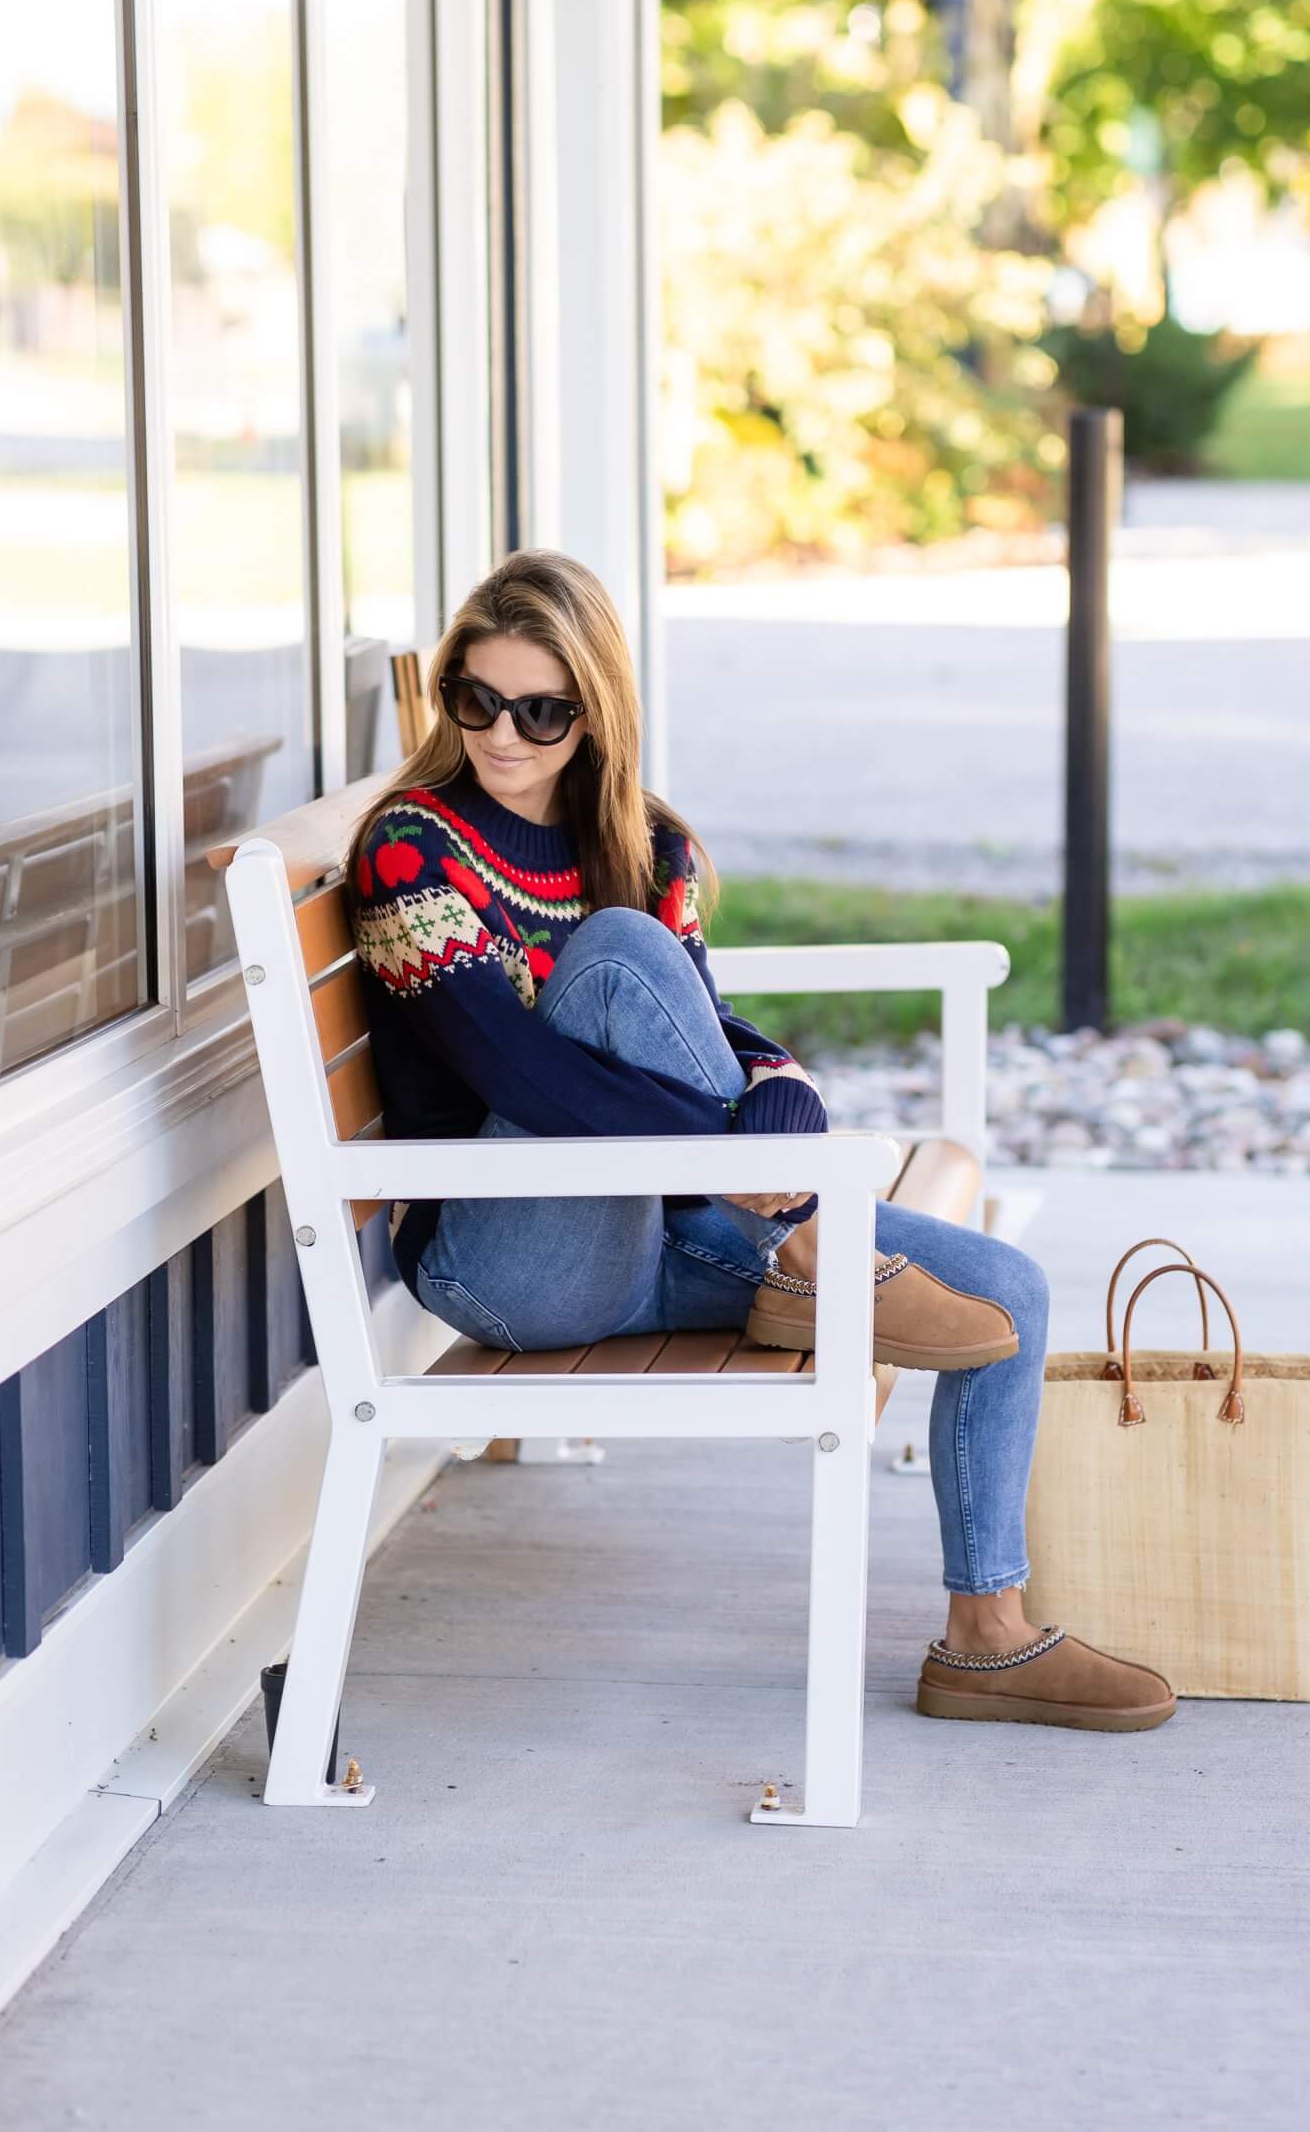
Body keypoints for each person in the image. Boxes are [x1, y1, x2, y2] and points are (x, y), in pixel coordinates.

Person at [344, 549, 1174, 1733]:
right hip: (507, 1256)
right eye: (475, 701)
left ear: (598, 710)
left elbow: (716, 1032)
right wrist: (761, 1167)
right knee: (622, 952)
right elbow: (519, 1072)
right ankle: (806, 1240)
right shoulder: (412, 850)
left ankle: (985, 1639)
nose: (504, 735)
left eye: (543, 709)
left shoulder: (645, 842)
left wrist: (784, 1103)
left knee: (1008, 1294)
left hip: (662, 1226)